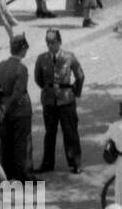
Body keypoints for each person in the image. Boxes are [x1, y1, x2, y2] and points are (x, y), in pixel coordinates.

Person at [32, 28, 85, 174]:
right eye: (48, 42)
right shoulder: (41, 58)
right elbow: (38, 78)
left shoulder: (69, 57)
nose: (50, 45)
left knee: (70, 132)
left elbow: (80, 75)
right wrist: (47, 89)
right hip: (49, 101)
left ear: (59, 42)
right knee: (49, 133)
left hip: (66, 99)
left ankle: (75, 162)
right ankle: (47, 163)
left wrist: (75, 92)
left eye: (53, 42)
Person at [0, 33, 33, 182]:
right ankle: (22, 176)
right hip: (20, 111)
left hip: (3, 113)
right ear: (23, 49)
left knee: (5, 144)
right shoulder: (21, 68)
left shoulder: (1, 66)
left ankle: (6, 174)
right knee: (21, 143)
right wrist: (6, 108)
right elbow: (18, 93)